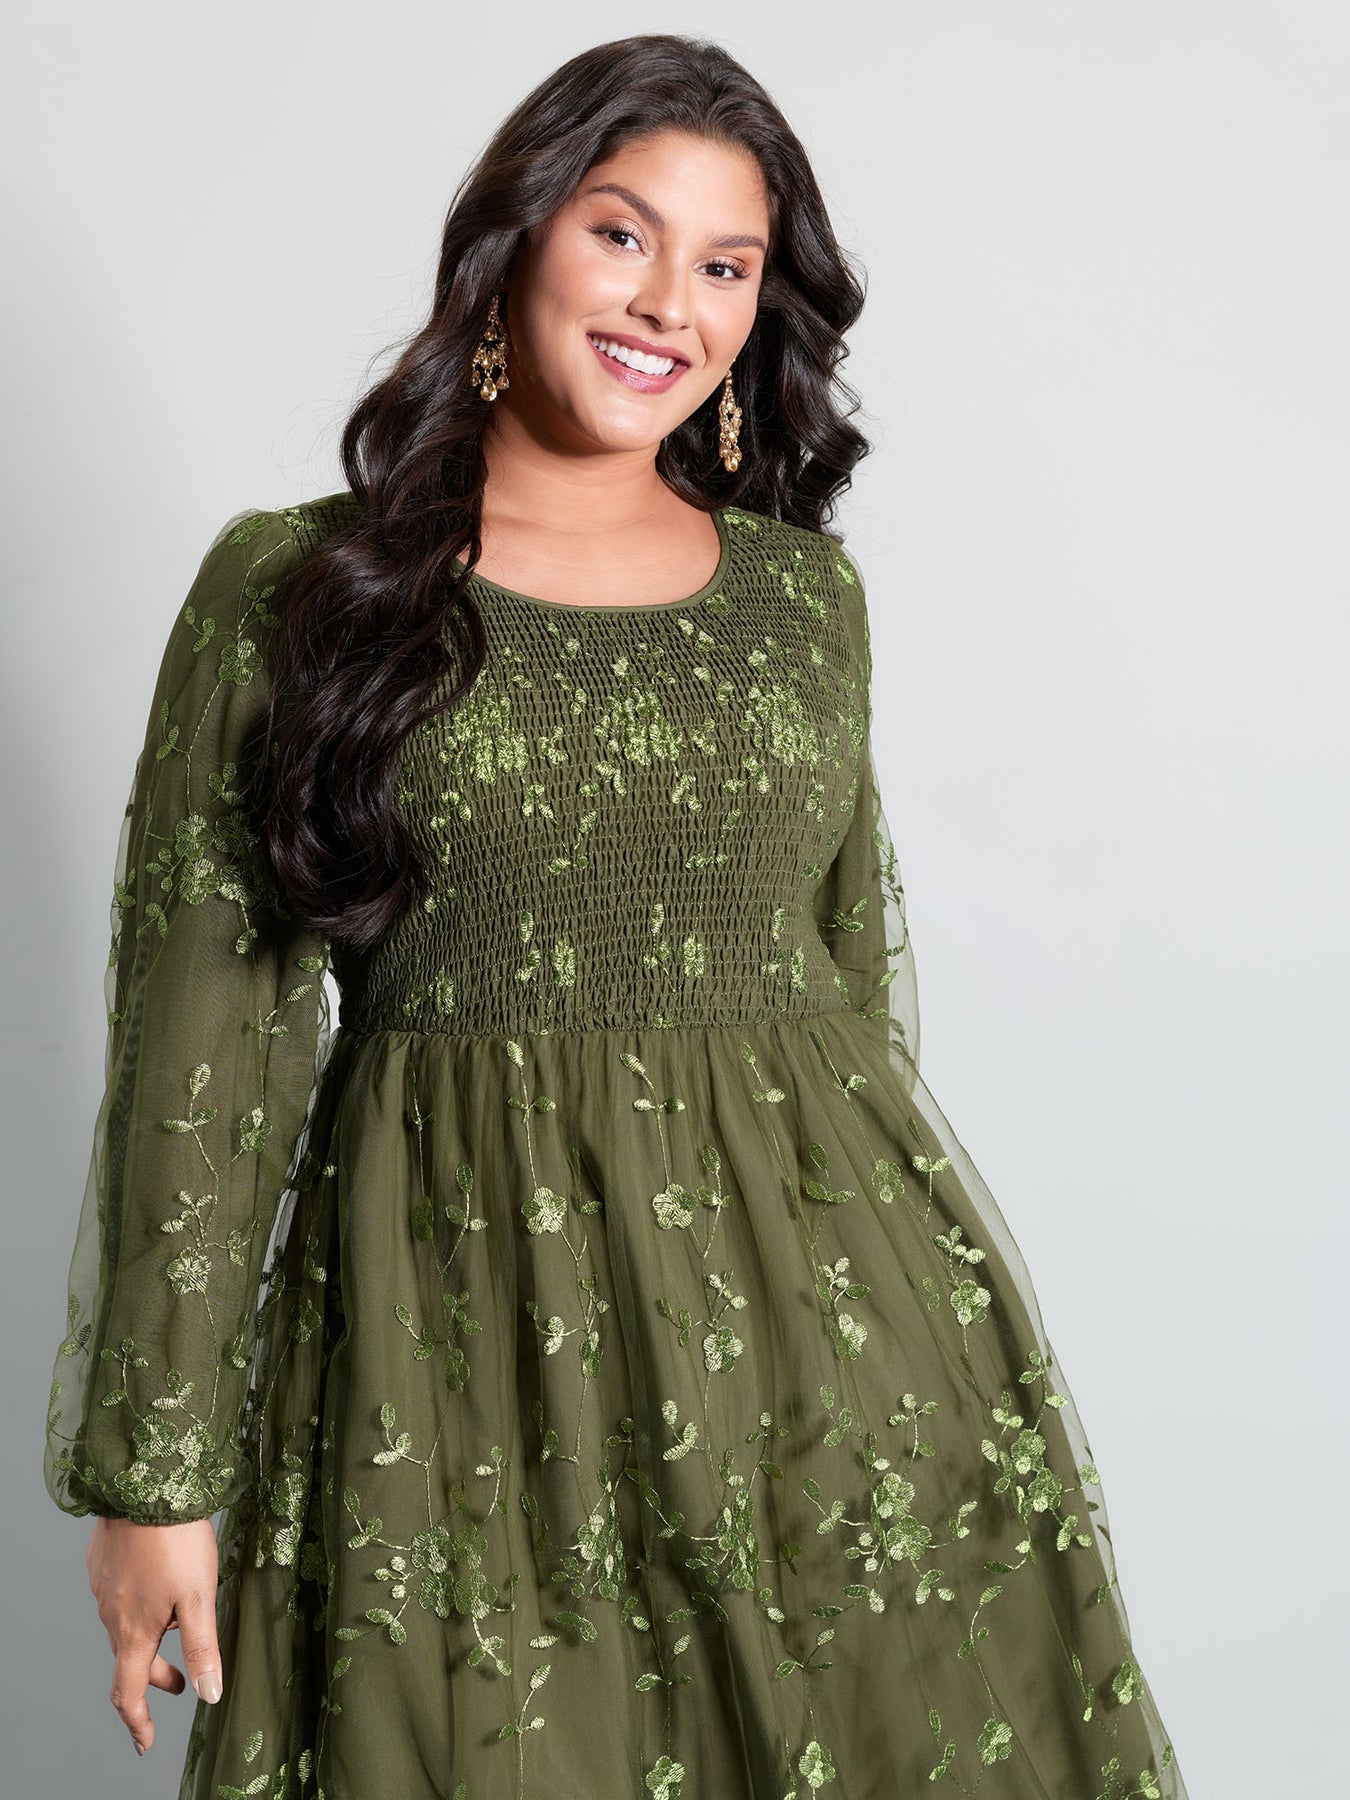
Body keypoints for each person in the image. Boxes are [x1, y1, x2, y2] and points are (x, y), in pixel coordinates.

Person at [44, 33, 1187, 1800]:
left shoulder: (802, 603)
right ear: (514, 242)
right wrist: (157, 1477)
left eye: (726, 265)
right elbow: (204, 1061)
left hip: (820, 1380)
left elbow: (848, 995)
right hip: (456, 1368)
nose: (671, 303)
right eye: (623, 234)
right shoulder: (301, 590)